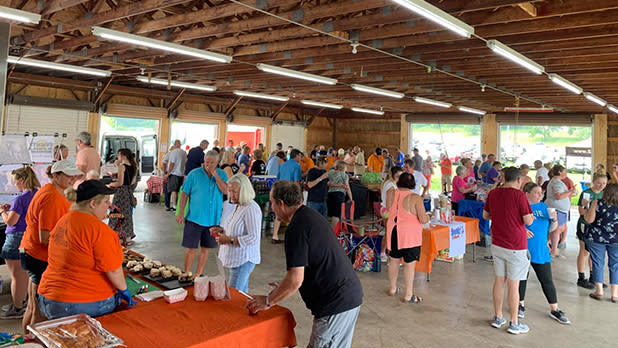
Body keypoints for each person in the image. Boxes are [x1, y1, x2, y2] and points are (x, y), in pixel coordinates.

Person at [247, 181, 363, 348]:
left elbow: (295, 280)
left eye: (272, 203)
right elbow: (310, 263)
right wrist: (285, 286)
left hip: (336, 302)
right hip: (347, 296)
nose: (271, 208)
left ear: (281, 203)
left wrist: (268, 301)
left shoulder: (297, 228)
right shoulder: (309, 215)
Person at [37, 180, 136, 319]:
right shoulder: (99, 230)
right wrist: (124, 290)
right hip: (81, 303)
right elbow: (113, 270)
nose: (109, 206)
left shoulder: (64, 220)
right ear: (93, 204)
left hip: (48, 298)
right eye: (106, 202)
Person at [19, 160, 82, 331]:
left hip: (32, 253)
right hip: (40, 257)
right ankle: (33, 341)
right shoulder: (52, 197)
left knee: (33, 306)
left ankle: (26, 339)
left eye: (74, 174)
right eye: (69, 175)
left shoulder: (55, 191)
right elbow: (45, 238)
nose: (73, 178)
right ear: (56, 175)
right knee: (41, 312)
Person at [483, 167, 533, 335]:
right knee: (514, 284)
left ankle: (498, 317)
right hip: (515, 245)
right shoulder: (519, 196)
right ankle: (514, 322)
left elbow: (485, 215)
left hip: (497, 242)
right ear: (519, 180)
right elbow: (528, 220)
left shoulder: (494, 193)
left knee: (499, 280)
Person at [519, 183, 570, 324]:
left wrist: (554, 220)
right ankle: (520, 305)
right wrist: (522, 229)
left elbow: (552, 228)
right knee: (522, 278)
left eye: (541, 193)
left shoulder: (543, 207)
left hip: (540, 249)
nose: (540, 195)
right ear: (526, 193)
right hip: (523, 249)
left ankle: (555, 309)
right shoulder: (521, 206)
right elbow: (511, 223)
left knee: (547, 280)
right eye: (536, 192)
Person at [176, 151, 228, 275]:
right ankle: (187, 272)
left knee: (205, 249)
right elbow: (184, 194)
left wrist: (216, 177)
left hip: (213, 220)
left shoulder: (222, 174)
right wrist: (181, 213)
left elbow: (225, 191)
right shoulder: (194, 174)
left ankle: (198, 274)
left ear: (217, 163)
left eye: (211, 162)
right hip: (195, 217)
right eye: (206, 162)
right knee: (191, 248)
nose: (208, 165)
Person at [0, 167, 40, 319]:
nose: (14, 184)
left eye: (15, 182)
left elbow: (11, 221)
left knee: (17, 276)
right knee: (26, 274)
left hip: (15, 237)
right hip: (30, 237)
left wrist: (2, 212)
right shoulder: (38, 194)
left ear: (21, 181)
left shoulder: (19, 198)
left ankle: (17, 308)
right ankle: (22, 302)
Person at [213, 174, 261, 293]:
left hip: (244, 259)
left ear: (244, 191)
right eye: (230, 191)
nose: (232, 195)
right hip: (237, 259)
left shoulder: (251, 208)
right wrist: (221, 231)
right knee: (241, 294)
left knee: (233, 295)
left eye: (235, 192)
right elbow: (236, 228)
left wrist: (229, 240)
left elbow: (253, 237)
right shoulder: (238, 205)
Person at [386, 172, 428, 303]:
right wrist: (428, 216)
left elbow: (388, 208)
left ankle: (392, 288)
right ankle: (408, 294)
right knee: (409, 264)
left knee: (394, 260)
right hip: (409, 234)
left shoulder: (391, 193)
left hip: (393, 230)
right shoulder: (415, 198)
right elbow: (422, 219)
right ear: (413, 184)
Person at [583, 183, 618, 302]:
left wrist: (586, 207)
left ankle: (599, 291)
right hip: (616, 239)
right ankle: (614, 294)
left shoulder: (597, 202)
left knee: (598, 263)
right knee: (615, 265)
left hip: (597, 238)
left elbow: (589, 219)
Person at [576, 171, 607, 289]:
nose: (601, 185)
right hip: (586, 225)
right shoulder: (587, 193)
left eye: (604, 183)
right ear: (593, 182)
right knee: (584, 251)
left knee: (595, 252)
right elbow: (582, 211)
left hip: (598, 227)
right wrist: (589, 211)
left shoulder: (604, 195)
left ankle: (593, 277)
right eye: (599, 183)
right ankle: (581, 277)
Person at [107, 148, 138, 244]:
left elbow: (119, 183)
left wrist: (110, 185)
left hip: (120, 193)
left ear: (123, 156)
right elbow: (133, 182)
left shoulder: (122, 167)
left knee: (115, 212)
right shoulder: (134, 166)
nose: (117, 157)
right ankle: (128, 236)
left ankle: (113, 234)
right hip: (128, 192)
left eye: (119, 155)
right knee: (127, 214)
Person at [545, 165, 576, 257]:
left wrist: (569, 193)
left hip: (559, 209)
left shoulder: (557, 182)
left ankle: (550, 247)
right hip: (557, 209)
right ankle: (553, 249)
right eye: (564, 171)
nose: (565, 173)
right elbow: (558, 196)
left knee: (557, 229)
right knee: (556, 230)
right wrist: (570, 191)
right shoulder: (556, 182)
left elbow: (562, 195)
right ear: (559, 172)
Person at [380, 166, 404, 262]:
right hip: (388, 212)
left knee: (389, 233)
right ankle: (387, 254)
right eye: (398, 176)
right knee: (390, 234)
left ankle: (384, 253)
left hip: (385, 210)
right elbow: (390, 204)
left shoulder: (389, 184)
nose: (399, 178)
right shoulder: (391, 187)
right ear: (393, 175)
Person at [327, 160, 353, 229]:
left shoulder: (330, 172)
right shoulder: (344, 175)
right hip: (339, 195)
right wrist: (351, 198)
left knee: (333, 214)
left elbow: (328, 182)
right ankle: (333, 231)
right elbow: (347, 188)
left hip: (329, 195)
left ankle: (335, 230)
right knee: (337, 214)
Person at [165, 140, 187, 212]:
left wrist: (168, 173)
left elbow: (172, 163)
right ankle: (176, 205)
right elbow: (185, 163)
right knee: (178, 190)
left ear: (175, 144)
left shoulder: (174, 152)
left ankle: (174, 206)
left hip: (174, 174)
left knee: (174, 191)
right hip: (181, 174)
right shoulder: (184, 152)